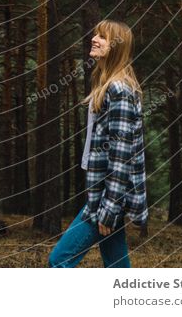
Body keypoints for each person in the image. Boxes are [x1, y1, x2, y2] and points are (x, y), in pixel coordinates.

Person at [48, 19, 148, 268]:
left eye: (102, 37)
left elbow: (121, 154)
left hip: (107, 197)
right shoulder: (106, 85)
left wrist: (110, 207)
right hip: (106, 193)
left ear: (116, 46)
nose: (94, 39)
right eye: (95, 34)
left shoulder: (119, 90)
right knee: (117, 267)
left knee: (58, 261)